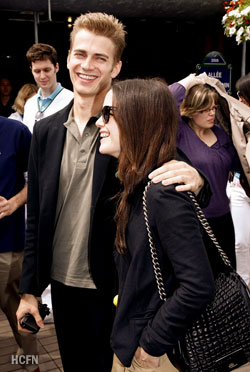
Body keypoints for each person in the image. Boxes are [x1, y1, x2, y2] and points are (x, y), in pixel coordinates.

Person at [16, 13, 210, 372]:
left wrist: (198, 180)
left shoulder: (127, 126)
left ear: (116, 66)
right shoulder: (44, 132)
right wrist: (29, 290)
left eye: (100, 58)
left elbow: (172, 169)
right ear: (68, 56)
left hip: (116, 288)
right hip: (61, 284)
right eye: (81, 54)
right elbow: (36, 219)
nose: (87, 66)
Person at [95, 78, 215, 371]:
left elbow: (198, 286)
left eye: (108, 113)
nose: (100, 122)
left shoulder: (161, 190)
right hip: (133, 338)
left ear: (138, 119)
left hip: (154, 354)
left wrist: (151, 344)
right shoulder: (138, 181)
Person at [169, 75, 241, 273]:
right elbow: (166, 99)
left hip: (223, 218)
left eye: (214, 108)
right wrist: (189, 81)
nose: (211, 114)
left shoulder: (221, 133)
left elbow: (237, 165)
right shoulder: (179, 132)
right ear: (191, 111)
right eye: (205, 109)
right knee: (197, 278)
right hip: (191, 220)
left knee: (226, 277)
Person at [0, 116, 40, 372]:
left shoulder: (16, 131)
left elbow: (37, 180)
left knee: (21, 317)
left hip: (9, 247)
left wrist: (14, 203)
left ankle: (30, 364)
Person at [227, 72, 250, 286]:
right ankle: (244, 289)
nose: (239, 99)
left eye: (241, 95)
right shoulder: (236, 118)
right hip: (240, 187)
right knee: (241, 242)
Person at [23, 43, 74, 132]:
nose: (42, 76)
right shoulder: (29, 104)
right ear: (31, 70)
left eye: (47, 70)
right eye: (37, 71)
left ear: (56, 67)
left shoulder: (72, 100)